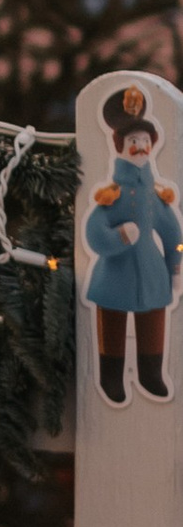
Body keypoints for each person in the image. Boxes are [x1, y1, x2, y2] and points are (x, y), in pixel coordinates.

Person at [86, 84, 181, 405]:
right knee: (112, 322)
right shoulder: (111, 195)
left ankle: (151, 374)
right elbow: (94, 231)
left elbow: (174, 235)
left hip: (153, 274)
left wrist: (175, 266)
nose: (140, 147)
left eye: (143, 141)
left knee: (153, 320)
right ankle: (111, 377)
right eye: (133, 142)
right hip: (114, 274)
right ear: (120, 146)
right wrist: (119, 237)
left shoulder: (155, 195)